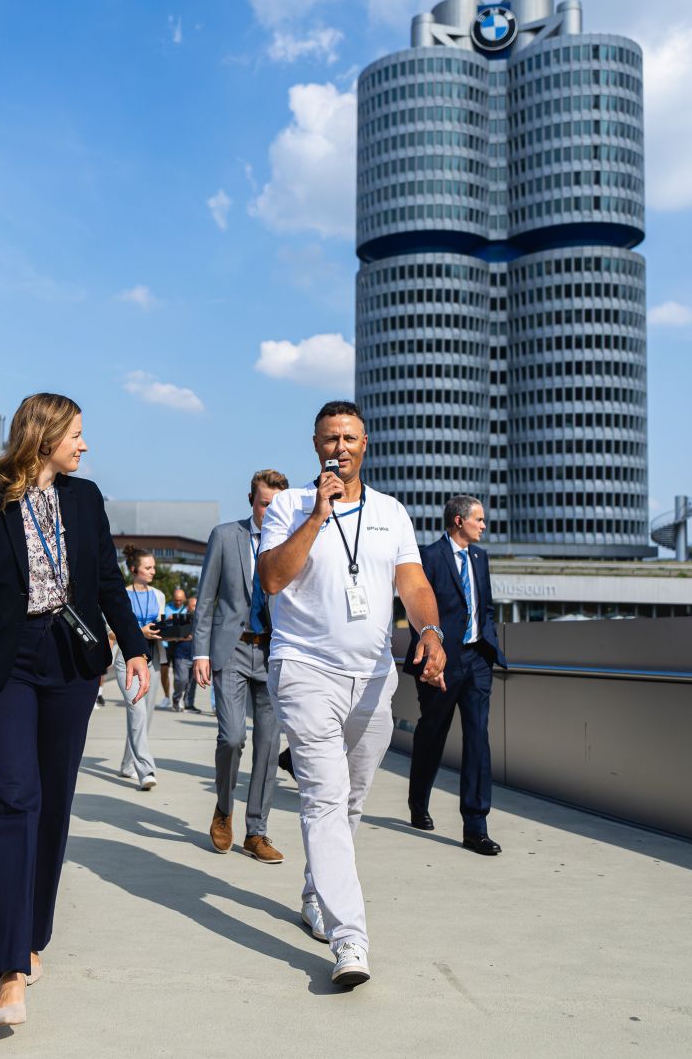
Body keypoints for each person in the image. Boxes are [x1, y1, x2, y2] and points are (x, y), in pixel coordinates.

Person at [0, 392, 151, 1028]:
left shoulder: (85, 500)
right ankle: (10, 972)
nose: (84, 446)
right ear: (44, 435)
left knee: (54, 803)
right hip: (6, 665)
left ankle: (34, 935)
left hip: (71, 662)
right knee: (13, 802)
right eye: (77, 435)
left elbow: (110, 583)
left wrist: (137, 650)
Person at [258, 401, 446, 988]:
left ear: (366, 444)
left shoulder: (392, 512)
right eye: (329, 438)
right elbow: (271, 579)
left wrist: (431, 631)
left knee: (353, 800)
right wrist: (316, 515)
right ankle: (350, 939)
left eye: (350, 438)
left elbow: (411, 582)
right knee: (323, 797)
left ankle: (318, 892)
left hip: (372, 676)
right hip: (305, 669)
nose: (340, 446)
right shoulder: (289, 506)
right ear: (315, 445)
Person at [193, 470, 289, 865]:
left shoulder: (291, 543)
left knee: (268, 747)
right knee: (232, 737)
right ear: (251, 499)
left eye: (278, 505)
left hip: (274, 654)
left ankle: (257, 832)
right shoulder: (225, 536)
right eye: (266, 504)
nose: (271, 512)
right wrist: (200, 652)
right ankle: (223, 809)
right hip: (230, 650)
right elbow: (207, 599)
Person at [404, 495, 504, 856]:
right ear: (459, 521)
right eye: (478, 519)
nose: (483, 525)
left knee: (478, 738)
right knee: (432, 734)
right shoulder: (428, 557)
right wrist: (430, 659)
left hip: (477, 659)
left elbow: (486, 606)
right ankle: (418, 800)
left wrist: (489, 643)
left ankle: (475, 826)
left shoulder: (480, 558)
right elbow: (419, 612)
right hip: (442, 661)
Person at [117, 547, 165, 788]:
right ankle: (146, 770)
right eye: (148, 568)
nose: (152, 571)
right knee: (138, 711)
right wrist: (138, 632)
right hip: (126, 659)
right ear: (134, 570)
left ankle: (127, 764)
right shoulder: (120, 596)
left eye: (153, 567)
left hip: (153, 656)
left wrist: (174, 634)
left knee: (146, 715)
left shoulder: (158, 595)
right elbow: (112, 633)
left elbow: (161, 625)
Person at [165, 587, 202, 714]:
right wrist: (182, 637)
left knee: (192, 682)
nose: (196, 607)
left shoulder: (202, 620)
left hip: (196, 656)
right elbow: (169, 636)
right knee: (181, 680)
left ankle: (189, 704)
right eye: (193, 605)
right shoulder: (180, 618)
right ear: (188, 606)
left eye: (197, 605)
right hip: (181, 655)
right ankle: (176, 699)